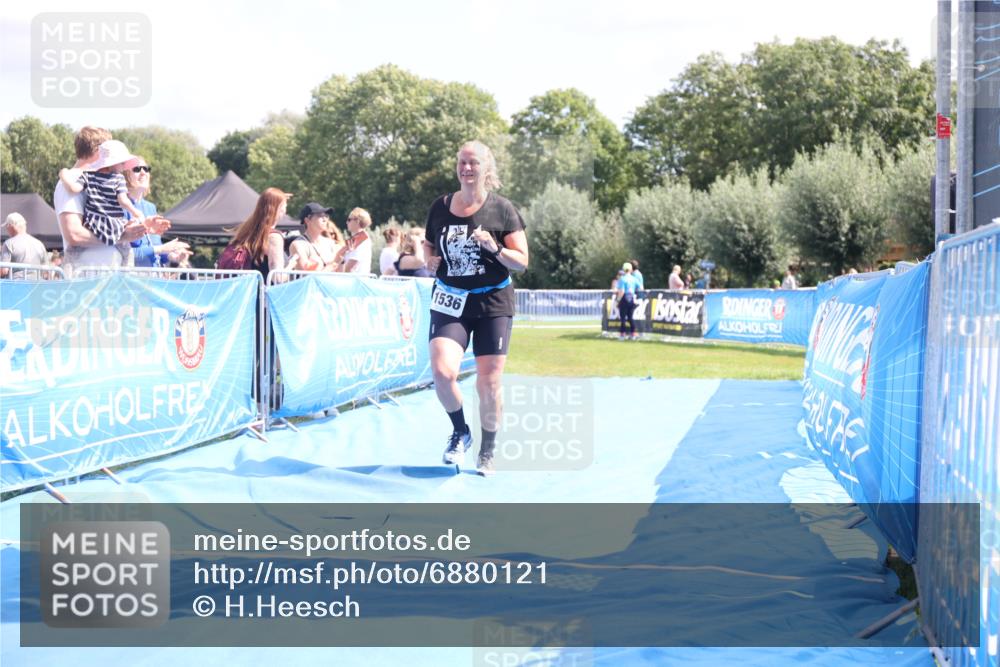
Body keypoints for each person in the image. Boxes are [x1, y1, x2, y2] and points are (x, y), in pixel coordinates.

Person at [424, 140, 529, 476]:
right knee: (442, 372)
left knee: (489, 383)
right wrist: (429, 259)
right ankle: (460, 431)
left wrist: (495, 248)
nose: (466, 169)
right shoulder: (440, 206)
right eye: (462, 162)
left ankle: (488, 449)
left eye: (473, 163)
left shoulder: (502, 209)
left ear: (486, 169)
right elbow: (428, 242)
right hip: (451, 299)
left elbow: (522, 262)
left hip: (492, 302)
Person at [55, 127, 169, 275]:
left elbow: (109, 221)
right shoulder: (75, 178)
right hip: (88, 280)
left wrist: (142, 227)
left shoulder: (102, 179)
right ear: (99, 151)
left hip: (105, 279)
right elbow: (74, 234)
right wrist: (122, 236)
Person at [58, 139, 148, 264]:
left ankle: (67, 273)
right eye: (122, 164)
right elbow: (123, 201)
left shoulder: (88, 176)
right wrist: (135, 211)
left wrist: (63, 175)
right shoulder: (118, 179)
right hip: (114, 224)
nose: (123, 168)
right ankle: (127, 275)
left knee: (73, 251)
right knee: (127, 251)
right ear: (112, 163)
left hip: (93, 222)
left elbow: (73, 189)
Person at [125, 156, 190, 268]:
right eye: (137, 169)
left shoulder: (151, 207)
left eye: (146, 169)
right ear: (125, 175)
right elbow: (125, 254)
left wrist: (172, 255)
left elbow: (155, 248)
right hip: (131, 278)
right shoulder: (121, 207)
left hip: (153, 277)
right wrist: (161, 249)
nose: (143, 173)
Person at [219, 187, 290, 280]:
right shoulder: (274, 237)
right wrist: (291, 264)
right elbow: (277, 277)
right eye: (285, 206)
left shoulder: (248, 232)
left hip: (246, 291)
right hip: (263, 292)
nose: (285, 210)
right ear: (279, 209)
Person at [289, 202, 339, 271]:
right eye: (320, 216)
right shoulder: (298, 245)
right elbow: (304, 277)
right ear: (307, 220)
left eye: (326, 216)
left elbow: (340, 271)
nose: (325, 219)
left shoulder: (331, 243)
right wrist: (328, 269)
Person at [0, 213, 47, 278]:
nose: (7, 230)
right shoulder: (39, 243)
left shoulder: (9, 243)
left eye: (6, 227)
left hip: (16, 285)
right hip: (37, 284)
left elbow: (4, 270)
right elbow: (46, 271)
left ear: (11, 226)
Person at [334, 207, 373, 273]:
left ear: (357, 221)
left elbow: (350, 267)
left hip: (356, 280)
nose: (346, 222)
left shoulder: (362, 239)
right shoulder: (358, 238)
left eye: (349, 220)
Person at [616, 261, 640, 340]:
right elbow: (640, 287)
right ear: (630, 269)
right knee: (630, 317)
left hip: (624, 298)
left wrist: (618, 300)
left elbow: (622, 291)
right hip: (631, 298)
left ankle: (622, 335)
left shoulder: (622, 279)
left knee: (623, 318)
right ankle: (633, 334)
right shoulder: (634, 279)